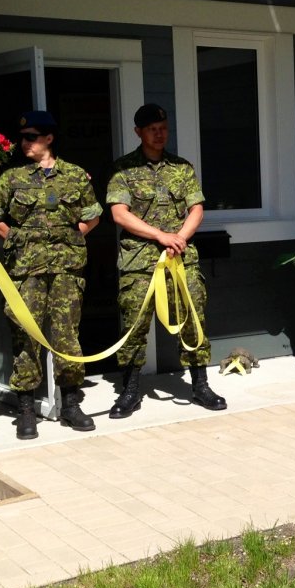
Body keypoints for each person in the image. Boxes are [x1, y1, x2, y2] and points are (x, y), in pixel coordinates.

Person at [0, 110, 102, 439]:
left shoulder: (75, 176)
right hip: (27, 270)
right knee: (26, 336)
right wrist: (16, 239)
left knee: (67, 336)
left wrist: (73, 236)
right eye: (22, 138)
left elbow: (93, 216)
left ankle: (71, 405)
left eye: (31, 137)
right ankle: (25, 409)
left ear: (49, 138)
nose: (25, 143)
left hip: (66, 268)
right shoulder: (12, 178)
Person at [105, 103, 226, 417]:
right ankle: (129, 391)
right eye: (152, 130)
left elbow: (196, 208)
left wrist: (181, 236)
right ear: (139, 132)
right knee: (134, 325)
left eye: (163, 128)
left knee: (193, 318)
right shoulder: (124, 169)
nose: (159, 134)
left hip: (179, 258)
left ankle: (200, 385)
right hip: (139, 262)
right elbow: (120, 213)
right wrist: (161, 235)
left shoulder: (181, 167)